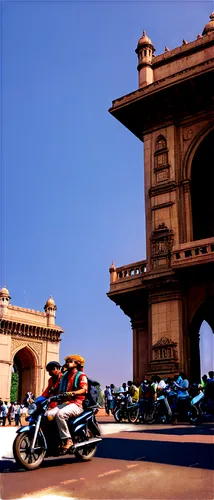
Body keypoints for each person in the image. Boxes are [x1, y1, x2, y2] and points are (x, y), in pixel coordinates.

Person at [46, 354, 88, 453]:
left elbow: (84, 389)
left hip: (77, 404)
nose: (67, 363)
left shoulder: (81, 376)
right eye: (67, 361)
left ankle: (68, 439)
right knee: (47, 415)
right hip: (65, 403)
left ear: (77, 364)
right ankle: (54, 440)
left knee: (60, 414)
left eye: (70, 361)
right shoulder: (64, 377)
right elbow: (59, 391)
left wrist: (73, 393)